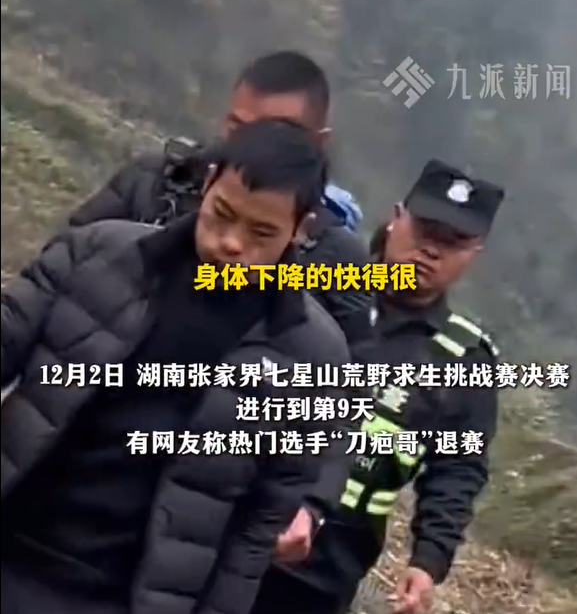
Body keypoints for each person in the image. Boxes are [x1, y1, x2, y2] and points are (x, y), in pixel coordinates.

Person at [1, 119, 351, 614]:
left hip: (123, 596)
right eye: (223, 214)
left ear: (301, 228)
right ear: (208, 182)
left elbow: (256, 526)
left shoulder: (310, 356)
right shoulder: (98, 255)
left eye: (262, 233)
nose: (232, 243)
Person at [251, 159, 504, 614]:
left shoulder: (464, 358)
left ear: (474, 254)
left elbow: (458, 466)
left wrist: (428, 559)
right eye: (425, 230)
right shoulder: (306, 281)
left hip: (322, 568)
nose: (431, 250)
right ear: (396, 218)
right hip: (230, 513)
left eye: (453, 242)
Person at [64, 50, 374, 362]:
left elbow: (349, 372)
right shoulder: (157, 180)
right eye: (239, 128)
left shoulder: (337, 257)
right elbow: (65, 267)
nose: (255, 147)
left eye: (263, 232)